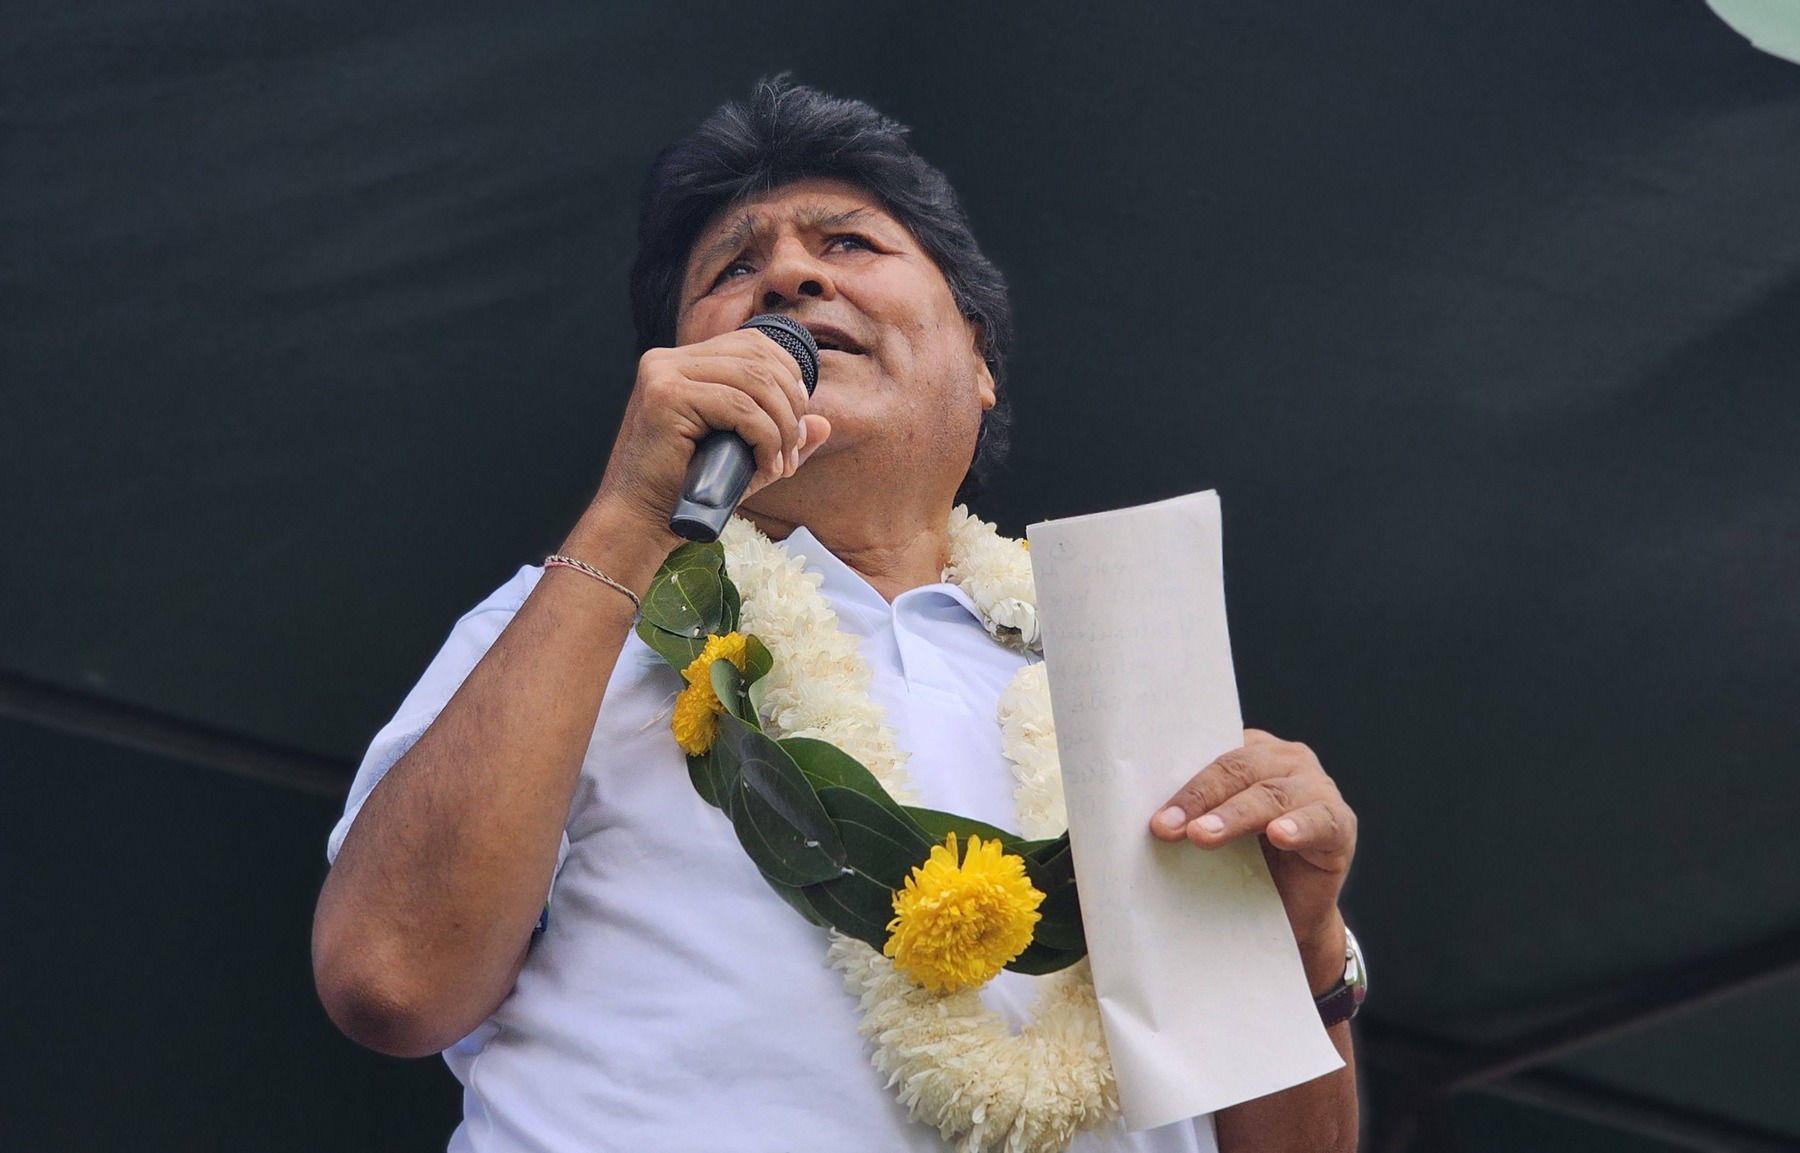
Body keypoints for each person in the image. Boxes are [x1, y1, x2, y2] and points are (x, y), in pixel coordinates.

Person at [312, 77, 1362, 1152]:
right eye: (731, 270)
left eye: (849, 243)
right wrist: (629, 518)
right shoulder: (578, 613)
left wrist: (1305, 946)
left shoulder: (1120, 668)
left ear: (979, 360)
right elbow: (391, 978)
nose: (789, 275)